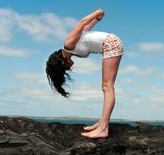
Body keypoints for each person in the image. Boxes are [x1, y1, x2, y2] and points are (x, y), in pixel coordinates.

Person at [46, 9, 124, 139]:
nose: (69, 69)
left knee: (107, 86)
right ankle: (101, 123)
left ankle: (103, 128)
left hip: (111, 44)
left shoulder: (68, 44)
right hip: (110, 43)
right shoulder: (73, 46)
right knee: (106, 86)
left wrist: (96, 12)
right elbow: (85, 31)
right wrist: (96, 20)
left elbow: (82, 23)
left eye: (64, 69)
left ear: (62, 62)